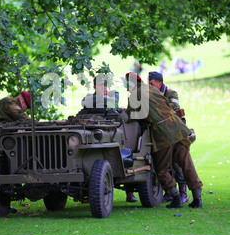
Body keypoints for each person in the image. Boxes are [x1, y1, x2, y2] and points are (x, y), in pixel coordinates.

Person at [125, 72, 203, 208]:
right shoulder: (153, 89)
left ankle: (176, 197)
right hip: (178, 128)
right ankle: (197, 198)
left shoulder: (135, 95)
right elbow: (166, 105)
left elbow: (130, 115)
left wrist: (122, 115)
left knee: (161, 169)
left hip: (163, 133)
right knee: (186, 163)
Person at [79, 74, 138, 203]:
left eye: (106, 85)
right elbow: (84, 103)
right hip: (93, 132)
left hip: (111, 131)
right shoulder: (88, 99)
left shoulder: (112, 96)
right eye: (101, 85)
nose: (104, 88)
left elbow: (113, 103)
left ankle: (130, 191)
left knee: (124, 151)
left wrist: (99, 100)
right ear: (95, 86)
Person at [148, 71, 193, 203]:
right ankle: (170, 193)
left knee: (178, 164)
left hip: (176, 133)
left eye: (151, 84)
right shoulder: (152, 95)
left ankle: (183, 193)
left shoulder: (171, 93)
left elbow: (174, 107)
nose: (149, 86)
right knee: (165, 165)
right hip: (164, 134)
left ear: (159, 83)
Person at [0, 91, 31, 159]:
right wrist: (42, 125)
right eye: (26, 107)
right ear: (22, 102)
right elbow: (26, 120)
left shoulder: (9, 103)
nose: (25, 110)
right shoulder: (8, 103)